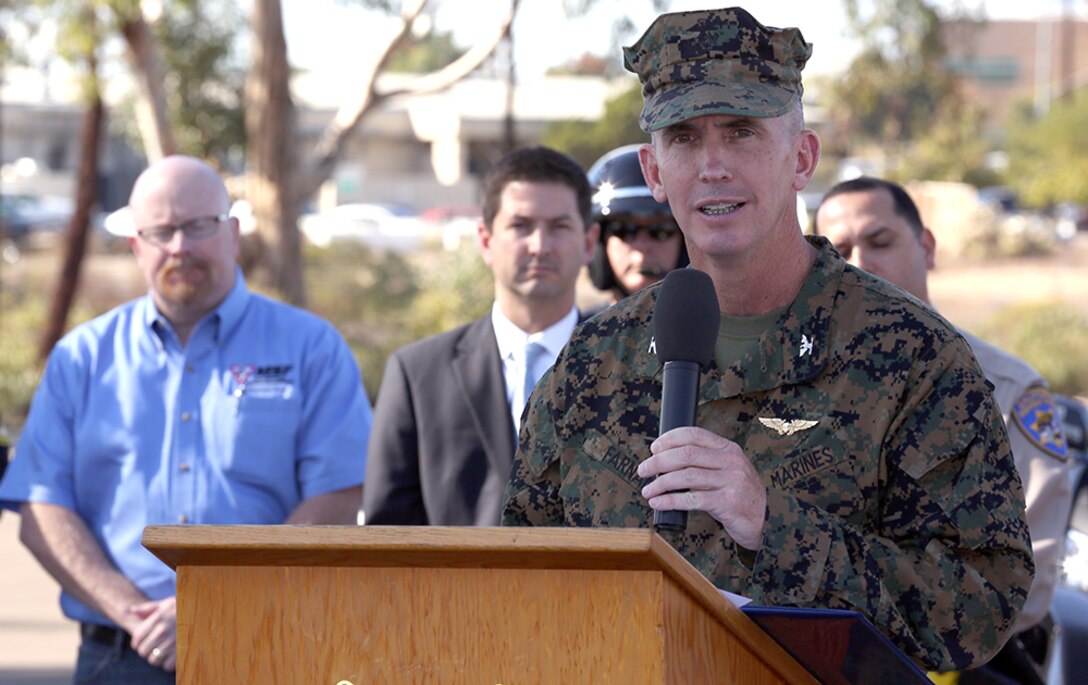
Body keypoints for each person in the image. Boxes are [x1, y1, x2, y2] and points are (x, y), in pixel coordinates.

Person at [500, 7, 1033, 672]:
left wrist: (772, 525)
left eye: (743, 132)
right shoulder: (591, 364)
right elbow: (518, 577)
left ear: (801, 157)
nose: (714, 165)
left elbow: (982, 602)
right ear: (655, 169)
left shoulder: (912, 357)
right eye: (686, 137)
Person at [0, 155, 372, 683]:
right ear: (136, 245)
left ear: (234, 234)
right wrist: (132, 612)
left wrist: (219, 602)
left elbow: (339, 494)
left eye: (199, 226)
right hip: (120, 655)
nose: (181, 246)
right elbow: (42, 508)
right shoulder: (81, 359)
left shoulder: (311, 348)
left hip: (267, 649)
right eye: (162, 231)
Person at [814, 176, 1074, 683]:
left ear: (926, 246)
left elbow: (1031, 580)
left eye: (880, 242)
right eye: (841, 250)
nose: (862, 263)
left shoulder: (1006, 389)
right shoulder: (803, 387)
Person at [362, 146, 598, 526]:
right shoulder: (418, 374)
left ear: (589, 242)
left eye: (559, 226)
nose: (540, 245)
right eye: (521, 226)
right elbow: (387, 534)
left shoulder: (626, 367)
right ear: (486, 240)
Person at [586, 144, 687, 310]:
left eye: (661, 231)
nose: (642, 247)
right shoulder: (579, 335)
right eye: (624, 230)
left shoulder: (717, 333)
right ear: (599, 243)